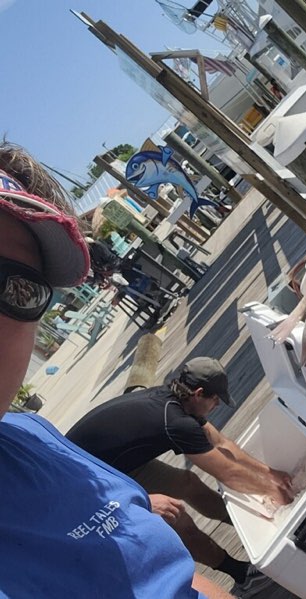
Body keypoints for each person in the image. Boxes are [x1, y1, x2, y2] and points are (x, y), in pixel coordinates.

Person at [0, 141, 232, 598]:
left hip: (125, 474)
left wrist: (139, 508)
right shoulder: (174, 418)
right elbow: (226, 460)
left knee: (177, 494)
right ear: (199, 396)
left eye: (19, 289)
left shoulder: (30, 434)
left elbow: (167, 572)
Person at [67, 356, 295, 597]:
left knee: (189, 484)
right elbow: (227, 472)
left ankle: (251, 529)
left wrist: (271, 475)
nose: (216, 405)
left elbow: (222, 443)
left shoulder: (179, 397)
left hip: (116, 463)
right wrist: (277, 496)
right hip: (88, 483)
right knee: (175, 516)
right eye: (215, 400)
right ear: (198, 393)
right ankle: (241, 574)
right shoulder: (175, 421)